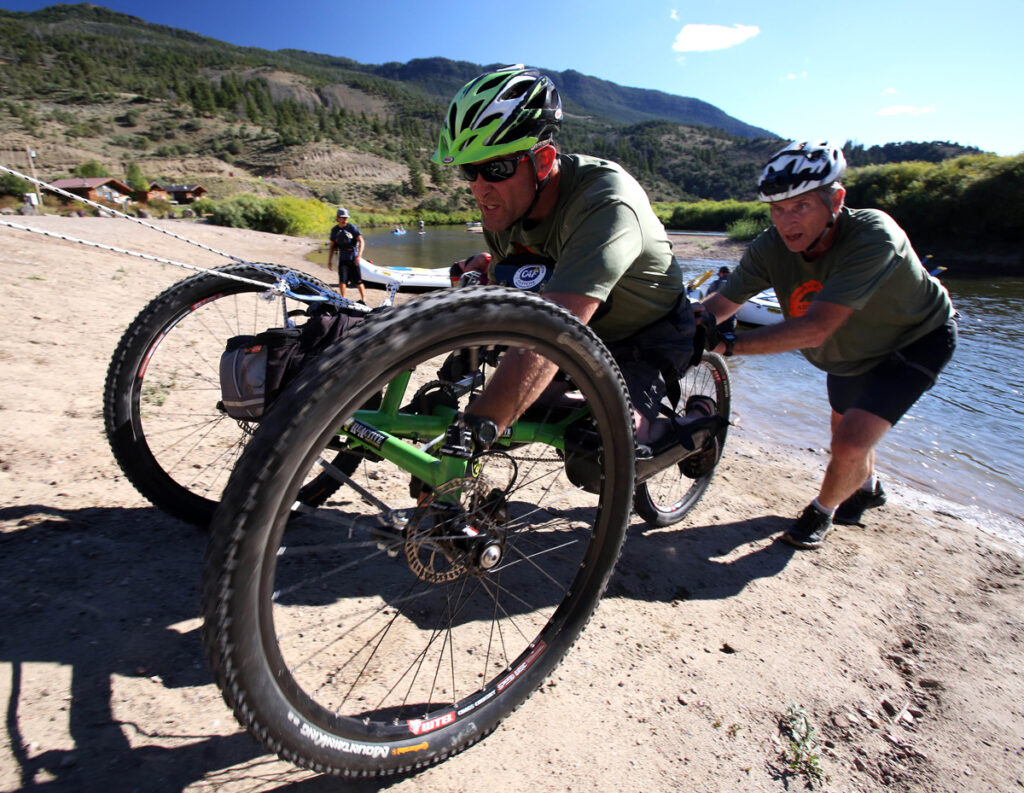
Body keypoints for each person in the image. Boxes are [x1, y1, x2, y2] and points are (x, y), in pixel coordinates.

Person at [433, 65, 719, 472]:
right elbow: (513, 286)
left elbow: (558, 330)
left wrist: (473, 435)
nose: (480, 188)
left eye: (495, 168)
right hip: (591, 329)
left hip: (648, 333)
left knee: (600, 454)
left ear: (544, 159)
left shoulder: (606, 201)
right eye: (469, 170)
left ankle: (699, 423)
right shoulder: (505, 212)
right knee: (532, 412)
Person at [700, 140, 957, 549]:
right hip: (849, 349)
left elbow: (816, 327)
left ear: (836, 199)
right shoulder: (771, 246)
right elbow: (720, 304)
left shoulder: (874, 235)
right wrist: (680, 328)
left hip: (915, 339)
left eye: (800, 206)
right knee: (845, 427)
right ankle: (867, 488)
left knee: (851, 440)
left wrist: (726, 347)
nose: (786, 222)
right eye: (777, 209)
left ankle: (821, 511)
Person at [329, 207, 366, 302]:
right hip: (343, 258)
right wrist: (329, 261)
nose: (345, 219)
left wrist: (359, 256)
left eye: (346, 217)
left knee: (358, 281)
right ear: (338, 218)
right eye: (343, 217)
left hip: (353, 257)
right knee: (342, 281)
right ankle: (343, 299)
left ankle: (363, 299)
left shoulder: (352, 227)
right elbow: (332, 246)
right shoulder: (335, 230)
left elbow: (361, 241)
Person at [704, 266, 737, 333]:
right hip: (731, 319)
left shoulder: (715, 283)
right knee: (728, 340)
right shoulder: (737, 284)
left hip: (717, 318)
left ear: (721, 273)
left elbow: (707, 299)